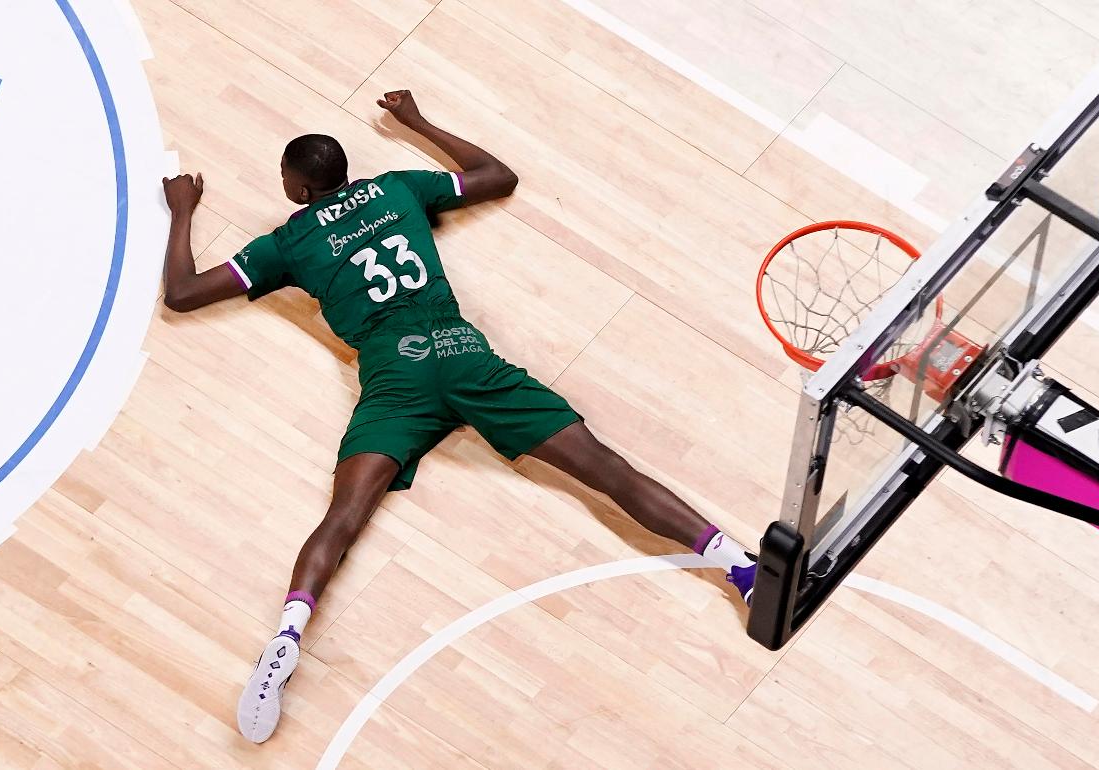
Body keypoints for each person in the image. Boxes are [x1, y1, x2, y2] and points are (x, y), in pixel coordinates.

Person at [159, 89, 756, 744]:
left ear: (299, 189)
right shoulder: (395, 190)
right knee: (605, 469)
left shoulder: (289, 242)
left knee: (344, 518)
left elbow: (183, 295)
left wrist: (183, 211)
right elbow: (497, 176)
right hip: (461, 351)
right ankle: (742, 567)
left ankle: (287, 635)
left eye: (284, 179)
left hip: (395, 375)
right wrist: (415, 123)